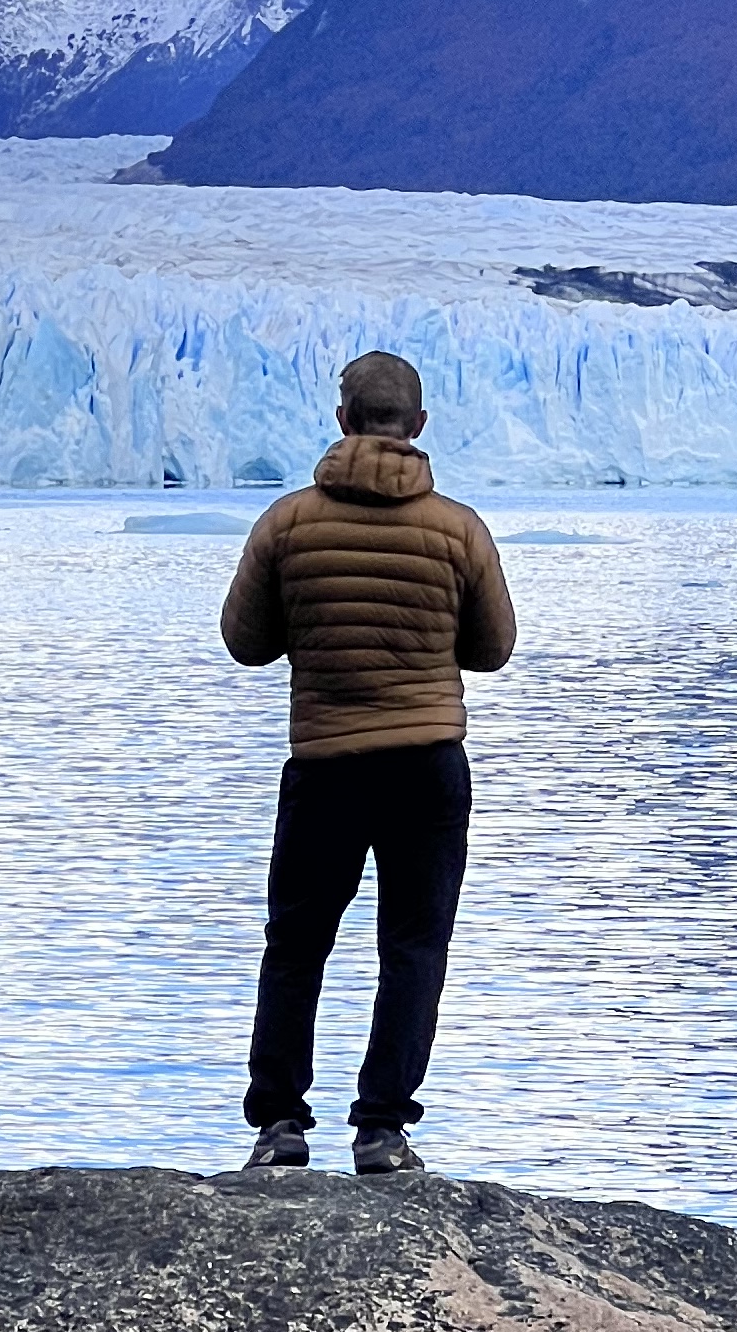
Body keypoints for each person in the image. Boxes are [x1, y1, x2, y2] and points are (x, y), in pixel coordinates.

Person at [217, 350, 517, 1178]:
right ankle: (382, 1129)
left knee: (296, 944)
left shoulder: (287, 524)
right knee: (414, 946)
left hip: (326, 763)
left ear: (343, 420)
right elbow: (493, 649)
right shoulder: (458, 529)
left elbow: (246, 643)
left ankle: (279, 1125)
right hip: (426, 765)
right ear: (417, 425)